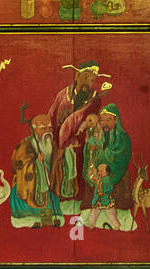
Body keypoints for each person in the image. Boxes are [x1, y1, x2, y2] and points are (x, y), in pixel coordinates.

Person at [47, 61, 110, 199]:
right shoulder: (64, 94)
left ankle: (80, 196)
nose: (89, 82)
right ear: (77, 76)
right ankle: (56, 194)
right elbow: (52, 115)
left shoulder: (94, 98)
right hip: (58, 140)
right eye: (86, 77)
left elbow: (93, 120)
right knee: (55, 167)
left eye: (92, 80)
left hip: (80, 143)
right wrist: (54, 138)